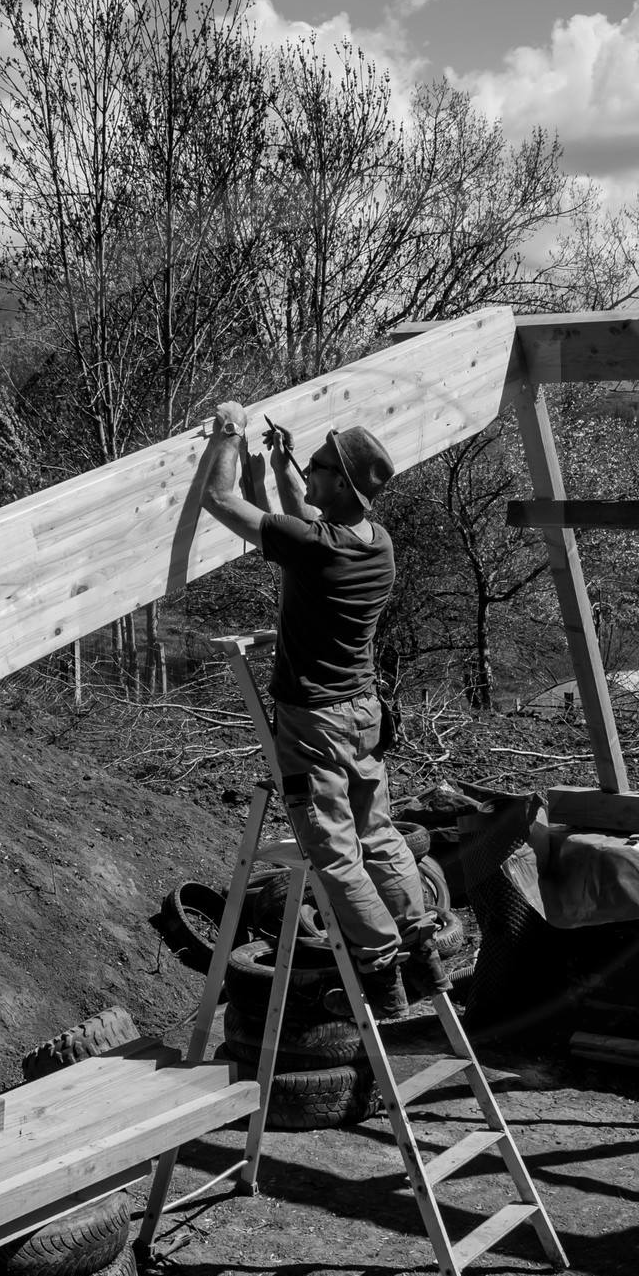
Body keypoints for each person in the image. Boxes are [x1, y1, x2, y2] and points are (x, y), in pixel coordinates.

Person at [200, 399, 446, 1019]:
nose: (306, 475)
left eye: (316, 467)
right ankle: (423, 951)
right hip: (363, 714)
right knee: (381, 834)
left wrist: (228, 432)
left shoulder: (314, 547)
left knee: (334, 852)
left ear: (340, 483)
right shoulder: (376, 543)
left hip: (314, 722)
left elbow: (220, 499)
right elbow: (306, 512)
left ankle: (379, 970)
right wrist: (286, 463)